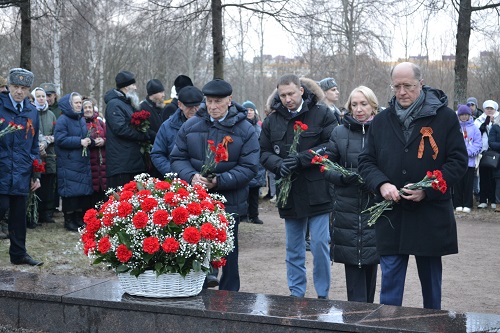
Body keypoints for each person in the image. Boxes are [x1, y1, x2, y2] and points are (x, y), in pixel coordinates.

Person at [358, 62, 468, 310]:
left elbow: (458, 162)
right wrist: (382, 184)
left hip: (430, 216)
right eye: (396, 86)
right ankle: (388, 326)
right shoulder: (382, 120)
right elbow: (366, 161)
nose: (402, 92)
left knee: (431, 286)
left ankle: (434, 324)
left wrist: (427, 189)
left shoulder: (445, 118)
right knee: (390, 285)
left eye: (408, 86)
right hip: (391, 215)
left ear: (421, 84)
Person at [170, 78, 259, 291]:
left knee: (228, 254)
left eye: (218, 101)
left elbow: (249, 167)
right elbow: (177, 157)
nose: (212, 106)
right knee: (197, 251)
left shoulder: (245, 130)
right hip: (197, 202)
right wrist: (191, 176)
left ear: (229, 100)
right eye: (209, 101)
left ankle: (230, 301)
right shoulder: (191, 126)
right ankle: (197, 295)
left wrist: (219, 181)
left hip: (230, 202)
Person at [260, 74, 338, 299]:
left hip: (318, 190)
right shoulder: (272, 120)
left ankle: (322, 294)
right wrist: (278, 165)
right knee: (294, 247)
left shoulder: (322, 113)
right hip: (290, 190)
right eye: (282, 95)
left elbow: (332, 145)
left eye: (291, 94)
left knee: (321, 245)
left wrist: (304, 158)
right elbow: (263, 152)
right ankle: (297, 294)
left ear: (301, 91)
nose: (287, 99)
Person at [324, 86, 379, 303]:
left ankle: (369, 317)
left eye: (363, 104)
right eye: (354, 105)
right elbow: (326, 166)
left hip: (374, 205)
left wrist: (376, 181)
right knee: (353, 266)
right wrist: (342, 177)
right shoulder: (339, 132)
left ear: (373, 105)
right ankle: (355, 317)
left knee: (371, 263)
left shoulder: (383, 130)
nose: (358, 109)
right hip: (347, 208)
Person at [0, 68, 43, 266]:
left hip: (22, 171)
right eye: (15, 86)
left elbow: (34, 145)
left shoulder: (32, 111)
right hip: (2, 169)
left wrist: (36, 173)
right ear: (8, 86)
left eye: (24, 88)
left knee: (19, 215)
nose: (19, 91)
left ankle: (18, 254)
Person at [104, 70, 153, 189]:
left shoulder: (125, 103)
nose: (135, 88)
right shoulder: (114, 104)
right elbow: (120, 129)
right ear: (126, 87)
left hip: (130, 161)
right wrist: (143, 135)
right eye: (133, 85)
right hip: (121, 163)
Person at [54, 92, 94, 232]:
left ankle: (78, 218)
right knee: (70, 191)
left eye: (79, 103)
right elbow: (60, 139)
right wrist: (79, 141)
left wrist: (89, 140)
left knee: (80, 191)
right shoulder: (63, 120)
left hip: (81, 161)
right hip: (69, 161)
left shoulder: (81, 119)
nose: (79, 105)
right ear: (69, 104)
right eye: (76, 103)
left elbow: (83, 137)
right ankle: (68, 219)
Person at [151, 85, 204, 177]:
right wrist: (174, 173)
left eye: (197, 106)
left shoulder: (210, 123)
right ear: (179, 104)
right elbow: (157, 154)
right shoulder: (167, 126)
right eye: (189, 106)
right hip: (178, 179)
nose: (194, 110)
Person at [31, 87, 57, 224]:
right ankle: (34, 215)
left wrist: (47, 141)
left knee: (48, 185)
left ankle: (47, 213)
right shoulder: (31, 112)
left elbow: (56, 133)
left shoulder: (51, 114)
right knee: (36, 185)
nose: (42, 98)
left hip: (49, 154)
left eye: (43, 96)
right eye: (39, 96)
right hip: (36, 154)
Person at [453, 104, 482, 213]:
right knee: (458, 183)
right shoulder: (455, 127)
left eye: (466, 115)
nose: (464, 117)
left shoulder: (474, 128)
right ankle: (458, 203)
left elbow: (478, 143)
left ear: (470, 115)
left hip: (469, 161)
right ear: (459, 116)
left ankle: (467, 204)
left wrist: (468, 152)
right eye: (462, 115)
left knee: (468, 184)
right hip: (457, 161)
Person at [242, 100, 266, 225]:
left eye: (251, 110)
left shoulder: (259, 127)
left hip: (258, 163)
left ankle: (254, 215)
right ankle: (243, 215)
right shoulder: (240, 125)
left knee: (255, 193)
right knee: (244, 192)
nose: (249, 112)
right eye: (247, 110)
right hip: (245, 162)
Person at [139, 79, 168, 178]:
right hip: (149, 154)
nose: (163, 95)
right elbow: (143, 130)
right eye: (160, 92)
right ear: (153, 94)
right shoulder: (143, 108)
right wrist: (159, 137)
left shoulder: (161, 107)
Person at [474, 100, 499, 209]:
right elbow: (475, 133)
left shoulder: (498, 119)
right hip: (483, 152)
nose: (489, 110)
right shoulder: (479, 120)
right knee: (483, 177)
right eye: (487, 108)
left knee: (494, 177)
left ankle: (493, 199)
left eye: (491, 108)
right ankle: (483, 199)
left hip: (496, 153)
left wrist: (493, 123)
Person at [82, 98, 107, 208]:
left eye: (89, 107)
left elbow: (108, 137)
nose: (88, 110)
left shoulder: (100, 122)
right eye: (85, 108)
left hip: (102, 161)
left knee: (103, 187)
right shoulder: (80, 123)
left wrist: (104, 141)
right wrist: (91, 143)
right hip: (89, 160)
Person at [488, 114, 500, 212]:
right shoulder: (495, 127)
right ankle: (498, 203)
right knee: (499, 182)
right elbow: (491, 142)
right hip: (498, 159)